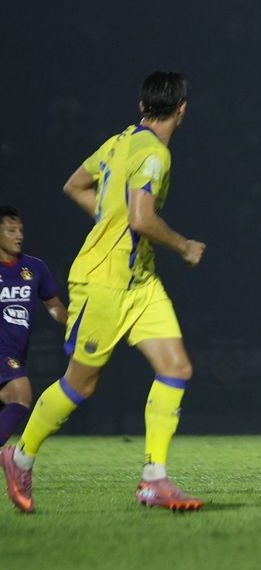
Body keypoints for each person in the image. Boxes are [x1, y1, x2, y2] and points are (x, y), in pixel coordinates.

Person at [1, 72, 207, 514]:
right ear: (183, 108)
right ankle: (19, 457)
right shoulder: (154, 155)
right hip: (103, 283)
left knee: (177, 368)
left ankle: (154, 479)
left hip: (141, 282)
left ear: (141, 104)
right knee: (81, 385)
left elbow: (75, 184)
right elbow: (141, 221)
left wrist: (108, 216)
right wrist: (185, 245)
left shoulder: (119, 142)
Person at [0, 206, 68, 447]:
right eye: (11, 230)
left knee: (12, 399)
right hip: (2, 354)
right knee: (20, 395)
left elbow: (54, 305)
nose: (19, 235)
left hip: (17, 353)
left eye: (20, 230)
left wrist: (73, 324)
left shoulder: (34, 268)